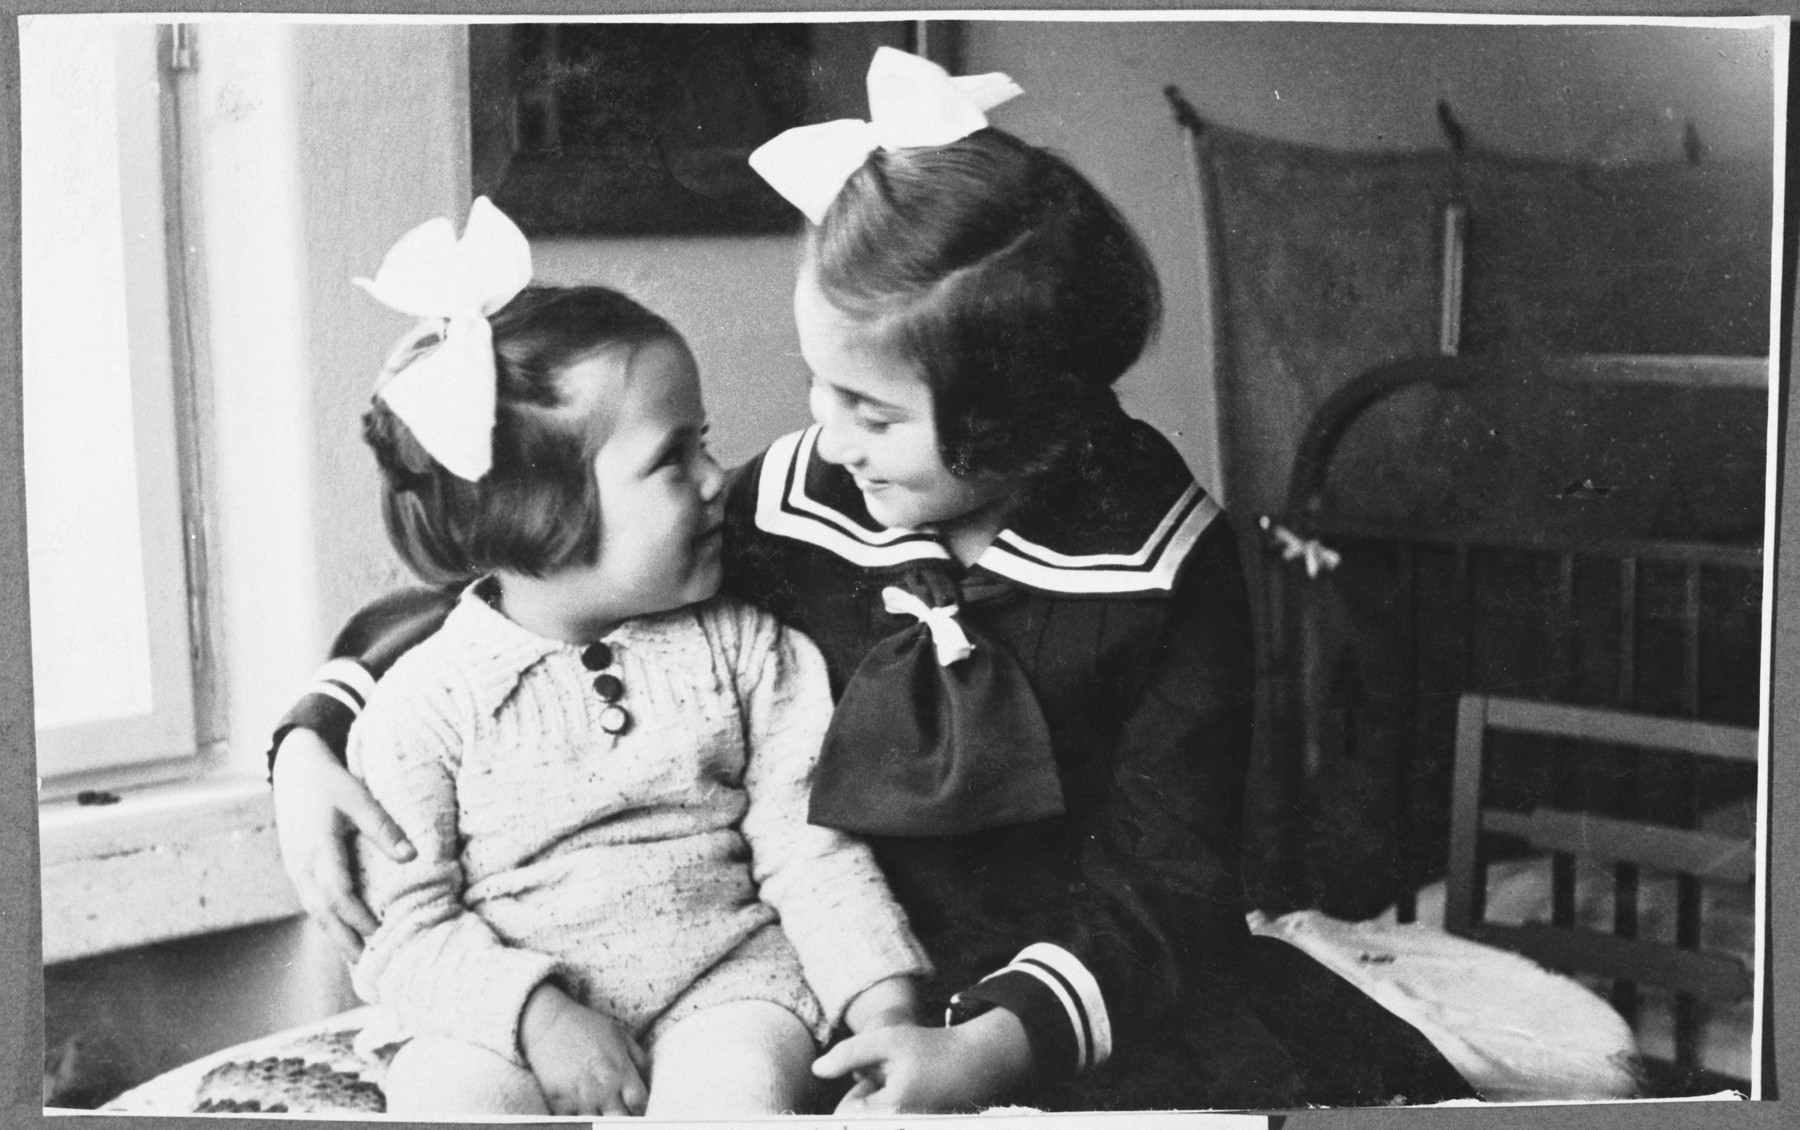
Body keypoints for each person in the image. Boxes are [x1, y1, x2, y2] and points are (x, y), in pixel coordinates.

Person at [270, 50, 1478, 1112]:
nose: (824, 432)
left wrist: (996, 1048)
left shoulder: (1165, 568)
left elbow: (1167, 874)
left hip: (1044, 990)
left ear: (1020, 423)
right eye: (816, 383)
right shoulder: (806, 495)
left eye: (872, 410)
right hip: (807, 961)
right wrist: (315, 728)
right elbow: (541, 586)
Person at [326, 198, 930, 1118]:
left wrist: (881, 999)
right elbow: (402, 931)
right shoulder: (425, 708)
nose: (714, 479)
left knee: (740, 1093)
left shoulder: (748, 650)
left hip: (727, 986)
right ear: (542, 512)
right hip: (509, 1023)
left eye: (707, 443)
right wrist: (534, 1017)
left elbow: (812, 851)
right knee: (447, 1098)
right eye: (671, 459)